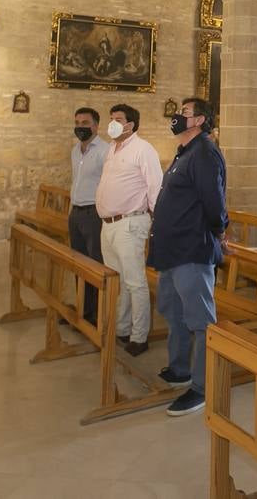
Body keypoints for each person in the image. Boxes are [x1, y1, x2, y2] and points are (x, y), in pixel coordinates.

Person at [151, 97, 229, 417]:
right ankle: (180, 368)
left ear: (199, 120)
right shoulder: (185, 151)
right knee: (173, 309)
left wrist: (219, 231)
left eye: (184, 113)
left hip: (192, 248)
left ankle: (202, 387)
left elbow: (214, 201)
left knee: (200, 319)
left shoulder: (206, 153)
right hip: (172, 248)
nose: (177, 117)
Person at [94, 104, 161, 357]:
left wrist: (159, 222)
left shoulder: (143, 149)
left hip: (130, 223)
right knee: (117, 280)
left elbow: (155, 186)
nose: (112, 123)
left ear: (130, 124)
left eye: (118, 119)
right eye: (111, 118)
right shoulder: (112, 147)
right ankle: (121, 328)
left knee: (135, 282)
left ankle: (139, 335)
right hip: (109, 224)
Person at [69, 107, 110, 326]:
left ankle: (96, 313)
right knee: (78, 262)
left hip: (94, 214)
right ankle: (82, 308)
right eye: (77, 122)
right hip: (75, 213)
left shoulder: (105, 151)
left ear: (96, 125)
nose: (80, 127)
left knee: (94, 264)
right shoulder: (76, 150)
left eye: (85, 123)